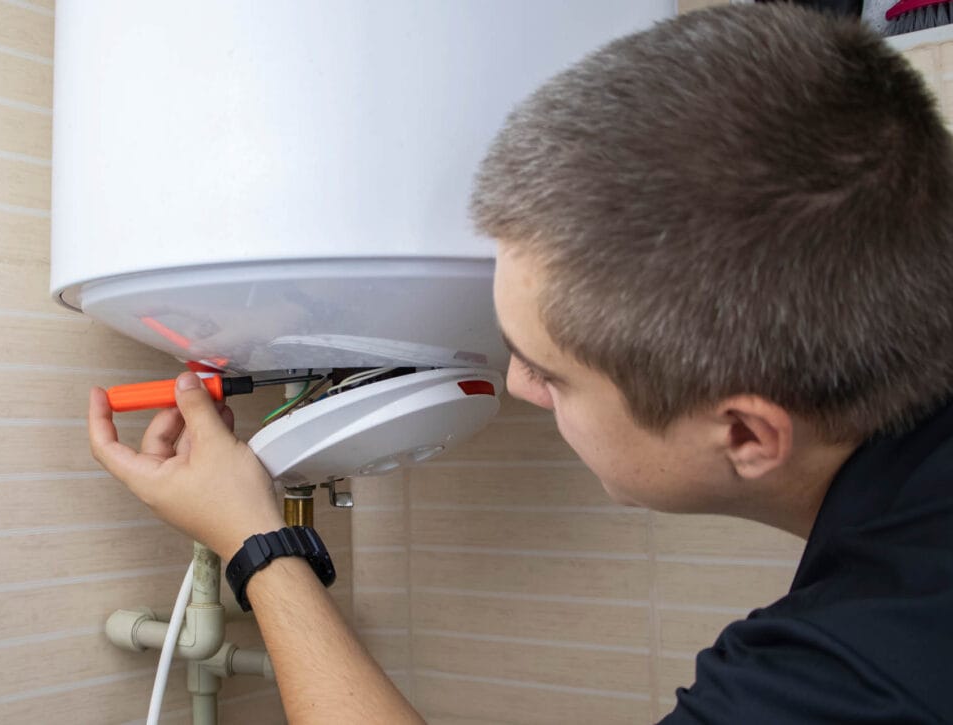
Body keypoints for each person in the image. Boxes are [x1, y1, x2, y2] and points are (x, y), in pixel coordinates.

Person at [88, 4, 953, 723]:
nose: (516, 385)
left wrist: (255, 540)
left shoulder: (850, 675)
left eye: (553, 371)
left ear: (744, 431)